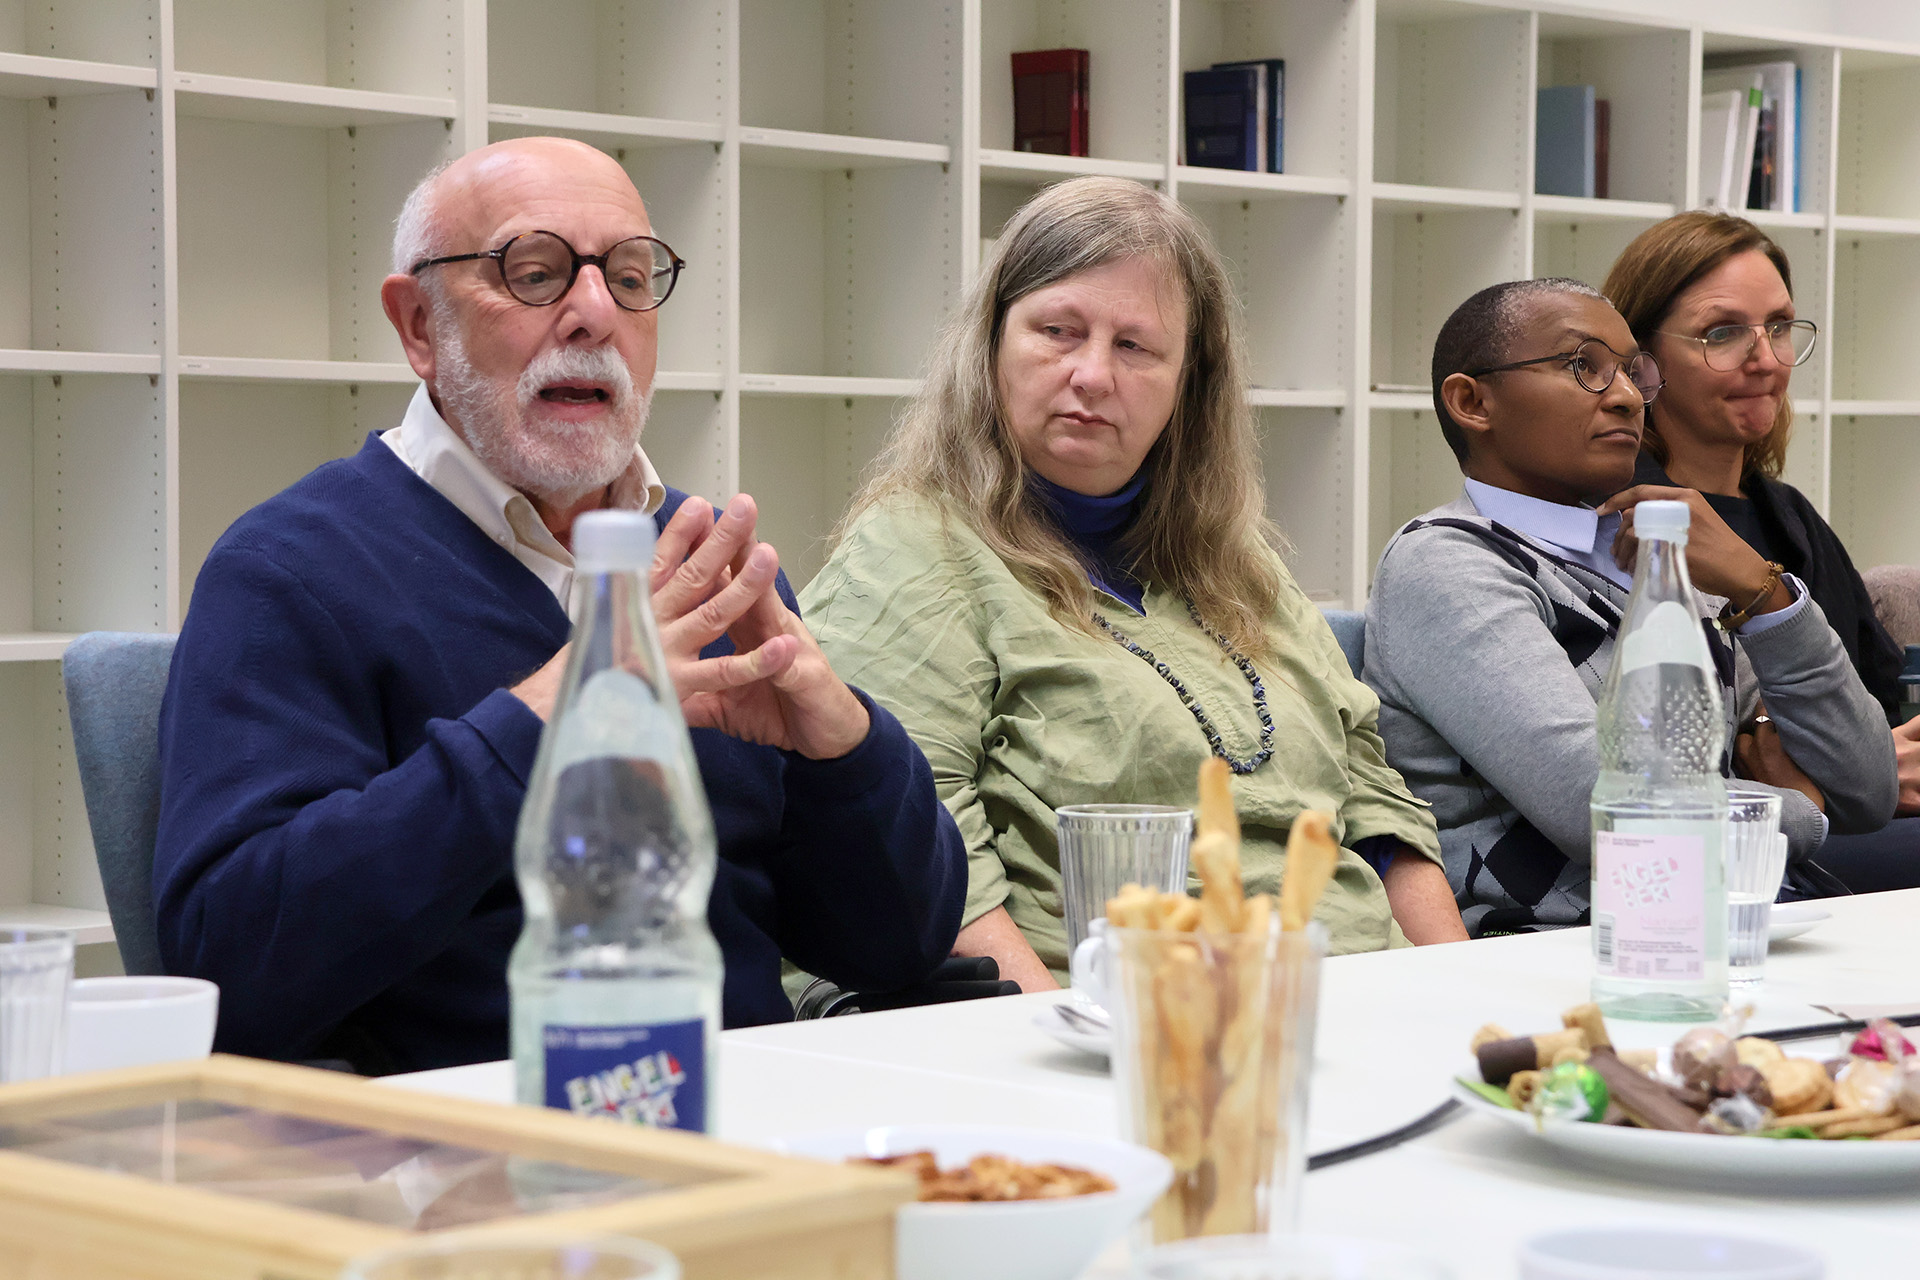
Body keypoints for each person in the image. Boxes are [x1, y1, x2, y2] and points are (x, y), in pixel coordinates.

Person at [152, 137, 966, 1074]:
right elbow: (226, 970)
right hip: (461, 1137)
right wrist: (549, 718)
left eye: (630, 278)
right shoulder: (288, 572)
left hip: (745, 1113)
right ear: (419, 325)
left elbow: (898, 949)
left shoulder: (707, 570)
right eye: (533, 274)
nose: (595, 314)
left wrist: (846, 754)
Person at [800, 177, 1466, 992]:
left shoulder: (1238, 559)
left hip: (1359, 1001)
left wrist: (1457, 1000)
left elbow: (1373, 803)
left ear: (1190, 382)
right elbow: (919, 853)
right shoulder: (914, 549)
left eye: (1135, 347)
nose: (1091, 374)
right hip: (1105, 1018)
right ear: (991, 345)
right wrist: (1064, 1038)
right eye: (1058, 331)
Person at [1363, 278, 1895, 935]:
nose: (1624, 397)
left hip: (1748, 919)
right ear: (1473, 402)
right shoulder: (1446, 563)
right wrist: (1800, 808)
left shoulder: (1657, 550)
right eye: (1582, 366)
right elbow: (1604, 811)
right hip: (1567, 948)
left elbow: (1867, 789)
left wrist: (1763, 590)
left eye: (1631, 371)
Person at [1604, 211, 1920, 891]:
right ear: (1641, 365)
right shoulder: (1625, 522)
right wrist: (1837, 780)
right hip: (1727, 848)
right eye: (1722, 333)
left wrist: (1869, 763)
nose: (1768, 359)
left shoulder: (1790, 517)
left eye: (1778, 327)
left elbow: (1881, 700)